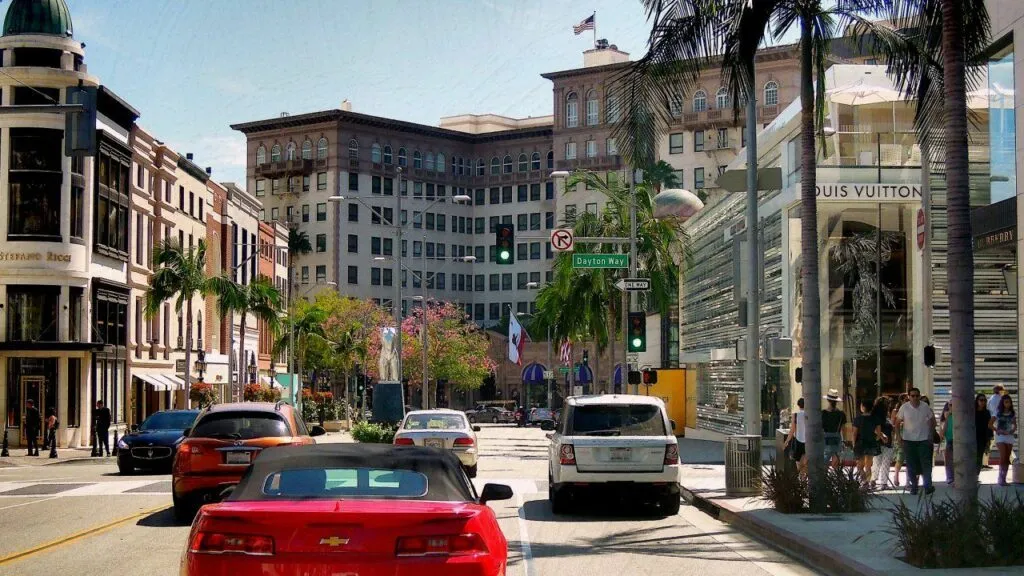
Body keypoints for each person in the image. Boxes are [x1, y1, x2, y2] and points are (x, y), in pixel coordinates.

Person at [895, 387, 937, 495]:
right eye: (912, 396)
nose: (915, 398)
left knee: (926, 464)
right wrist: (898, 436)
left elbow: (933, 421)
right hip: (908, 441)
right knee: (911, 465)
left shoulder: (925, 406)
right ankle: (914, 486)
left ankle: (927, 486)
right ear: (909, 397)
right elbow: (897, 423)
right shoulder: (904, 407)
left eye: (917, 396)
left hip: (924, 440)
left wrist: (930, 434)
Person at [853, 398, 882, 486]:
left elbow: (854, 433)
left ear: (863, 407)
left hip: (860, 443)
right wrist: (875, 439)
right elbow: (879, 433)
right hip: (871, 443)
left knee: (859, 466)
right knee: (868, 466)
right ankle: (867, 482)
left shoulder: (858, 419)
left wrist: (853, 444)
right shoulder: (875, 418)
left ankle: (864, 481)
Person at [990, 394, 1017, 486]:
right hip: (1000, 437)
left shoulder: (1012, 413)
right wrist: (998, 430)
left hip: (1009, 436)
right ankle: (1000, 479)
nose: (1008, 404)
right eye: (1006, 402)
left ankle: (1004, 478)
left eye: (1009, 402)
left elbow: (1014, 425)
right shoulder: (997, 412)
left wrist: (1013, 430)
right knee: (1003, 455)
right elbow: (990, 424)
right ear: (1002, 403)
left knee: (1007, 458)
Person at [872, 396, 895, 489]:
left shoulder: (885, 416)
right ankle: (878, 481)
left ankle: (878, 481)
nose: (889, 406)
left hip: (885, 442)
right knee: (880, 462)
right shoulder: (877, 417)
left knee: (880, 462)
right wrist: (882, 436)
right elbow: (874, 428)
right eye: (887, 404)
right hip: (880, 442)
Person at [822, 389, 847, 468]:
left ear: (828, 400)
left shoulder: (823, 413)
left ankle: (825, 475)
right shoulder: (841, 414)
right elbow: (843, 429)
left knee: (824, 461)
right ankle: (835, 475)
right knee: (836, 462)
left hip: (825, 437)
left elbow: (820, 428)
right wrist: (844, 440)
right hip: (837, 437)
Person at [784, 398, 807, 475]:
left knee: (798, 463)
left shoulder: (795, 415)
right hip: (807, 441)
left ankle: (801, 477)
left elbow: (792, 430)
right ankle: (804, 478)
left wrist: (786, 441)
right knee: (805, 463)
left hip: (798, 441)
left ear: (798, 405)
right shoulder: (809, 415)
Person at [984, 385, 1005, 469]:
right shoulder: (1000, 399)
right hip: (999, 423)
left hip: (991, 423)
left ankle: (984, 462)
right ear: (1000, 391)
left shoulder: (991, 398)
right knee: (1004, 441)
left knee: (990, 443)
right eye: (1003, 390)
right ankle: (1013, 460)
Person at [891, 394, 909, 487]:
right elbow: (893, 423)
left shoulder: (910, 410)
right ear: (901, 400)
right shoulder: (896, 411)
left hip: (910, 435)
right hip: (899, 435)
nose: (907, 401)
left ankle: (908, 480)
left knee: (909, 458)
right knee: (900, 458)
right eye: (906, 399)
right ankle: (896, 476)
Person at [975, 393, 992, 480]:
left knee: (979, 458)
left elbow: (989, 426)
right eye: (981, 400)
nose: (983, 402)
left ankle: (976, 476)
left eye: (985, 400)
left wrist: (988, 440)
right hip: (972, 438)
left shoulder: (987, 413)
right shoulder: (972, 412)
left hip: (982, 438)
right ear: (977, 401)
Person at [941, 400, 954, 487]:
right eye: (950, 405)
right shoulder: (947, 416)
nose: (952, 406)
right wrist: (946, 419)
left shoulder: (960, 415)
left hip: (958, 440)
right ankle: (950, 477)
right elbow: (942, 432)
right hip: (949, 440)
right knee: (948, 460)